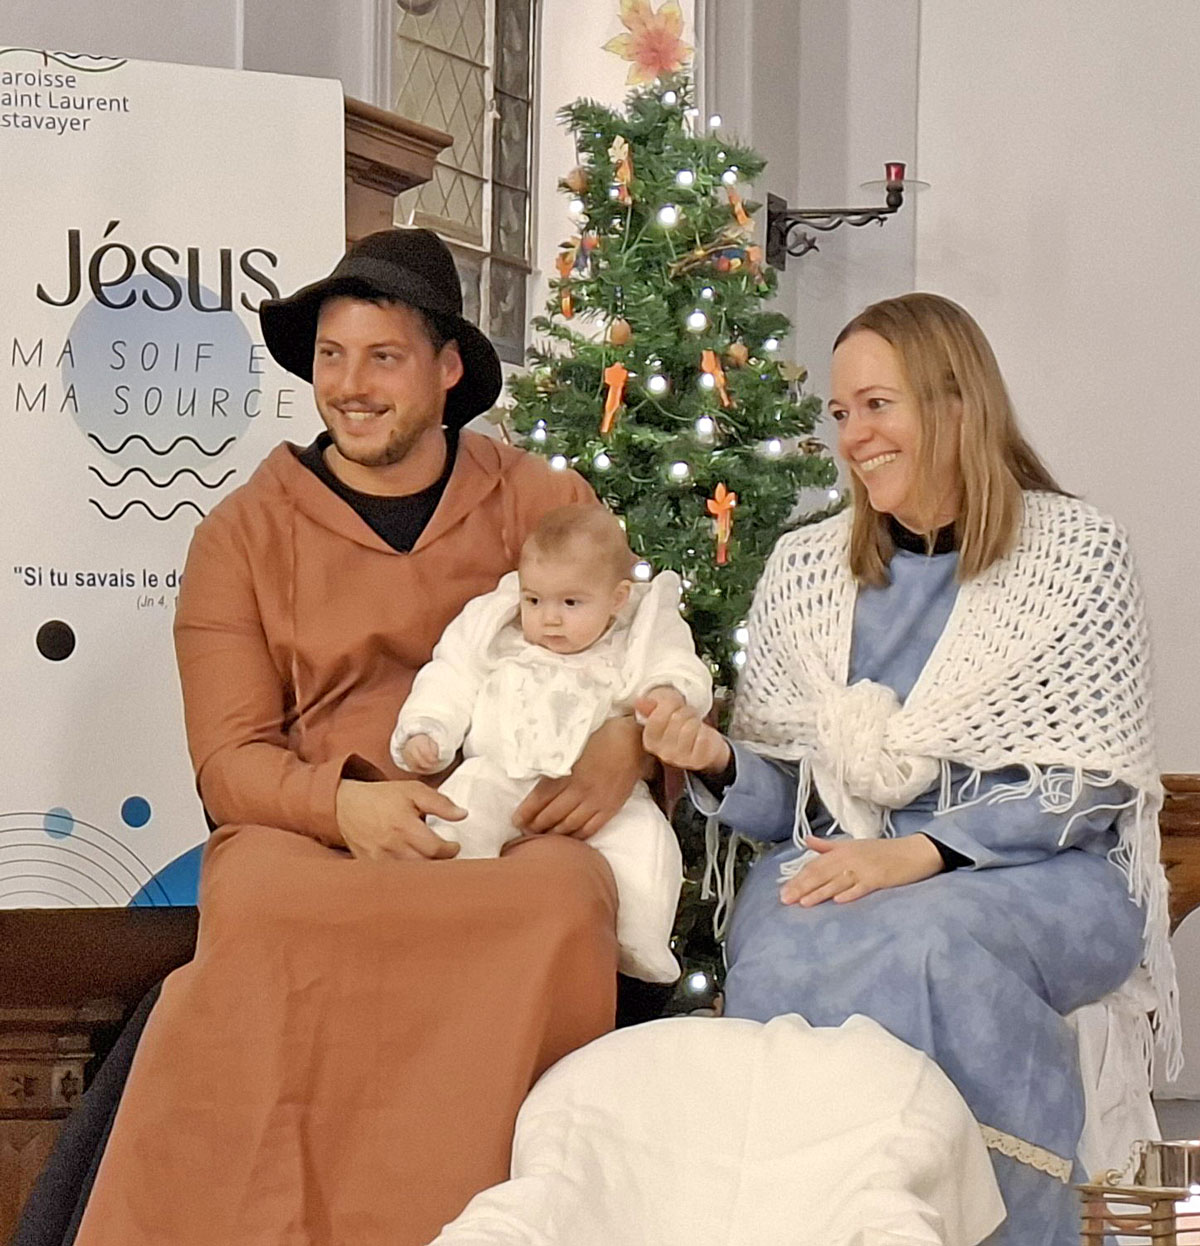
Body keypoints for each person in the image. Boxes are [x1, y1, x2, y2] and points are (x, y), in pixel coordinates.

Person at [24, 228, 660, 1246]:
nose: (351, 386)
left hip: (504, 826)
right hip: (309, 834)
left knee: (563, 894)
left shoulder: (543, 502)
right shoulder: (240, 534)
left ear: (447, 370)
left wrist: (628, 742)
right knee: (266, 902)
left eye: (382, 357)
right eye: (331, 356)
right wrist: (341, 804)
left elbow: (643, 655)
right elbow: (229, 762)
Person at [640, 292, 1177, 1246]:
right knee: (784, 944)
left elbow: (1087, 786)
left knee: (926, 945)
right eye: (841, 412)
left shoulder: (1074, 554)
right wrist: (718, 759)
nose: (854, 436)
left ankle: (993, 1229)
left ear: (957, 402)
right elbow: (791, 803)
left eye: (878, 405)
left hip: (1040, 871)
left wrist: (918, 853)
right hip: (846, 860)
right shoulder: (808, 569)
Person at [393, 504, 712, 983]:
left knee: (645, 841)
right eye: (534, 600)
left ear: (617, 598)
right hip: (501, 772)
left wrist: (668, 693)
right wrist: (429, 728)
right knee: (461, 809)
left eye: (571, 603)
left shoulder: (636, 638)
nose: (549, 620)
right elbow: (451, 675)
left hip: (601, 791)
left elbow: (676, 663)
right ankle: (448, 901)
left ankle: (640, 936)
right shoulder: (499, 632)